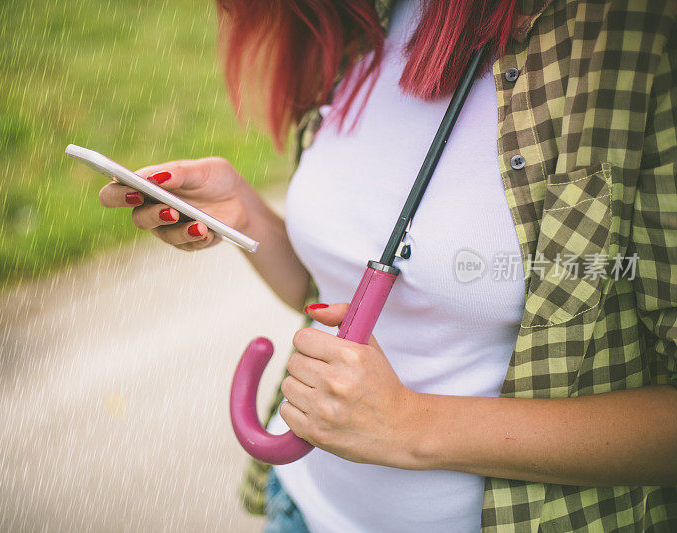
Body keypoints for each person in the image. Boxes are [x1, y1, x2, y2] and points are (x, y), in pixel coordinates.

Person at [97, 0, 677, 530]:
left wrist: (412, 425)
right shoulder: (373, 20)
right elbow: (340, 299)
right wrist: (247, 217)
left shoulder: (637, 43)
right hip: (302, 508)